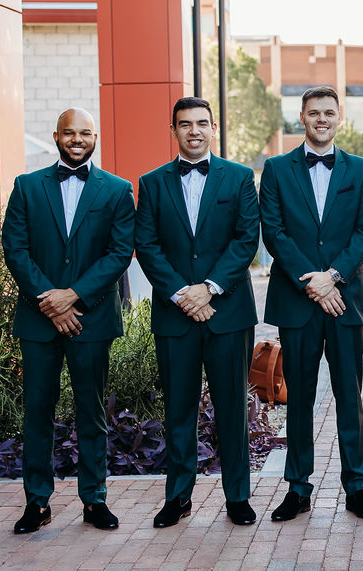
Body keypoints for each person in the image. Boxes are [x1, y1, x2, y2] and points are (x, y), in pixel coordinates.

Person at [2, 108, 135, 534]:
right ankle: (36, 503)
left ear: (95, 136)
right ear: (56, 136)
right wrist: (50, 301)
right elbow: (15, 250)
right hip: (39, 319)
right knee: (37, 412)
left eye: (85, 133)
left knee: (91, 411)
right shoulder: (26, 187)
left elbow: (119, 253)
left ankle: (94, 501)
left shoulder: (117, 190)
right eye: (69, 133)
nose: (77, 139)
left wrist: (73, 296)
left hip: (92, 318)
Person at [135, 96, 261, 528]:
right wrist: (181, 294)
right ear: (173, 131)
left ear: (214, 127)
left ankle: (238, 497)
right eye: (185, 124)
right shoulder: (151, 182)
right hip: (175, 316)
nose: (194, 130)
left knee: (232, 408)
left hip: (228, 312)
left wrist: (207, 290)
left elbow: (246, 240)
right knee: (179, 409)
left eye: (201, 123)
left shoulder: (240, 177)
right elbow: (146, 245)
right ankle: (178, 497)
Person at [260, 86, 363, 522]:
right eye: (314, 113)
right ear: (302, 118)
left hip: (345, 301)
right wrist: (313, 281)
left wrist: (334, 278)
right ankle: (298, 486)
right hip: (297, 302)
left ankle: (357, 485)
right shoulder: (275, 169)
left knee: (350, 396)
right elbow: (274, 231)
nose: (322, 119)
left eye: (329, 113)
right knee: (300, 399)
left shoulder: (361, 169)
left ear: (339, 117)